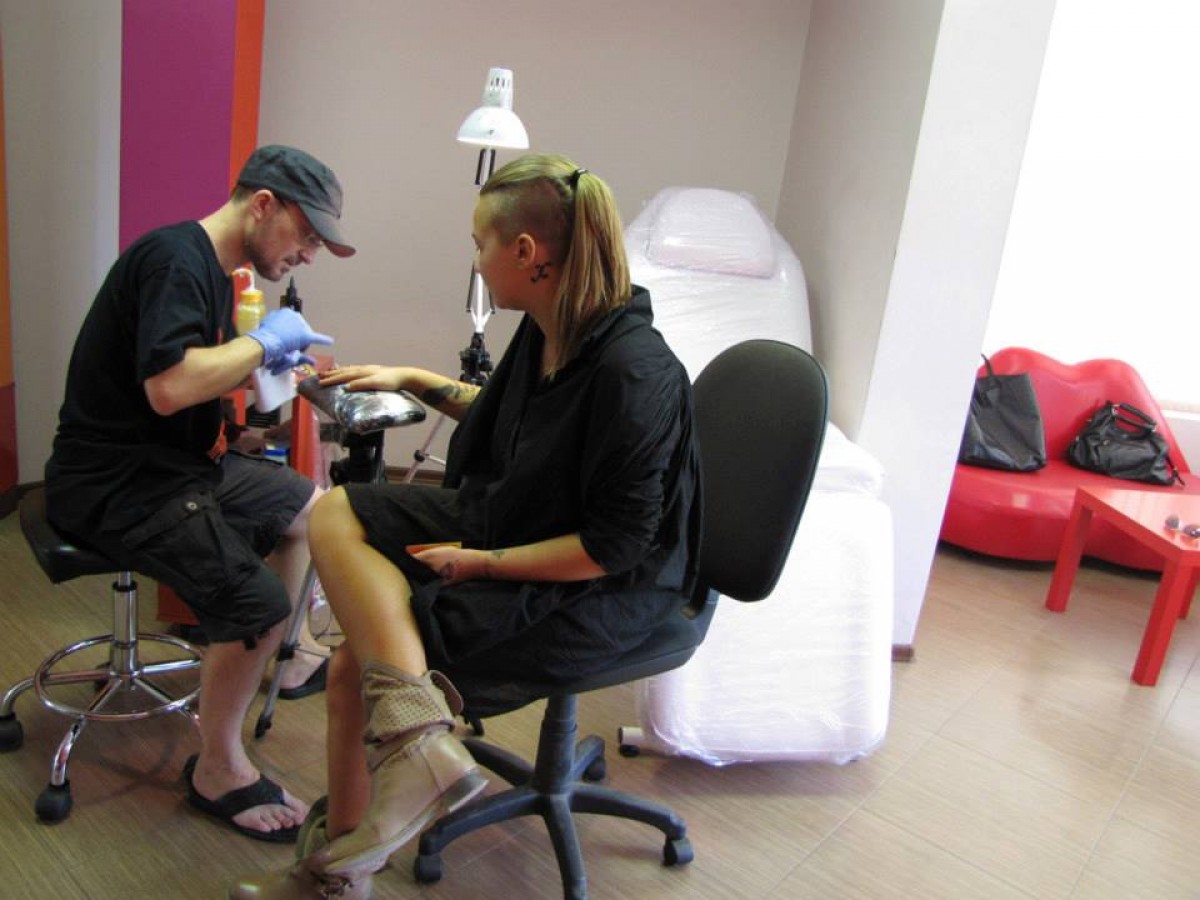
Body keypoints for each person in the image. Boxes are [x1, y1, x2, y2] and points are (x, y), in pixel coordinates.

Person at [230, 153, 702, 898]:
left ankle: (365, 834)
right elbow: (517, 423)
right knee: (344, 521)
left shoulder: (635, 374)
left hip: (602, 592)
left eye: (481, 244)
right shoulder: (554, 328)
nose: (477, 261)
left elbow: (612, 548)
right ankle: (411, 758)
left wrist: (482, 564)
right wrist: (416, 380)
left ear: (527, 252)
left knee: (354, 664)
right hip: (530, 527)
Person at [44, 144, 354, 843]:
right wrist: (264, 345)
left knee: (308, 508)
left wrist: (257, 399)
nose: (308, 255)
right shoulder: (174, 260)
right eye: (307, 235)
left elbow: (177, 379)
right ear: (263, 204)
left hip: (169, 466)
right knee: (257, 603)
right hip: (113, 483)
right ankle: (218, 768)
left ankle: (287, 654)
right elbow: (169, 386)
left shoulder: (211, 270)